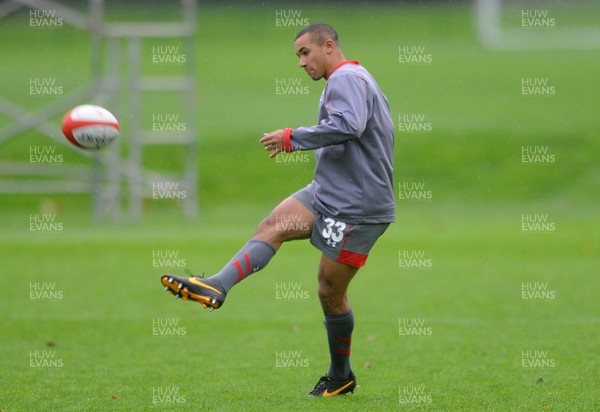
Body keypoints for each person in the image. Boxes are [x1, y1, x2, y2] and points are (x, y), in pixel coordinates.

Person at [161, 22, 395, 398]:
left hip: (359, 207)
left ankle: (341, 376)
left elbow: (350, 126)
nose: (301, 63)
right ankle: (217, 285)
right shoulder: (350, 77)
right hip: (327, 192)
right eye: (297, 56)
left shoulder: (345, 78)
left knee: (329, 291)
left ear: (329, 45)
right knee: (273, 225)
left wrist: (292, 138)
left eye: (305, 53)